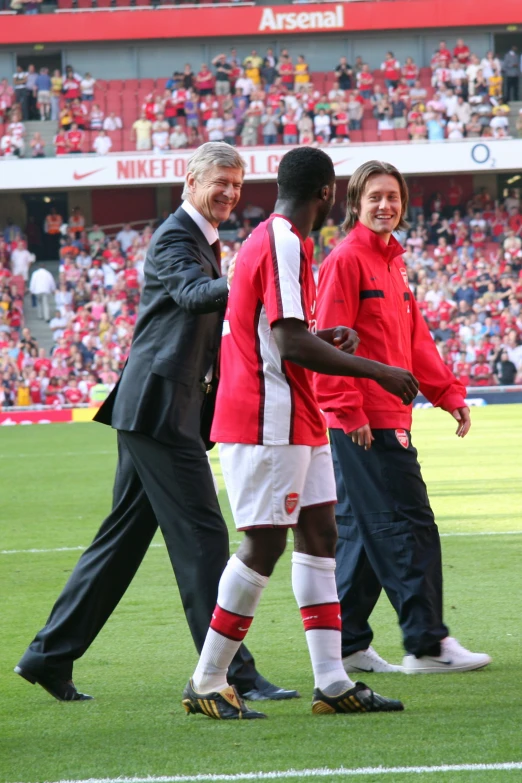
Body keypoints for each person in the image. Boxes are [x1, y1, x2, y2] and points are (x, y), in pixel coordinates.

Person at [14, 143, 296, 705]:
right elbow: (194, 297)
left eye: (238, 185)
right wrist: (249, 273)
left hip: (165, 410)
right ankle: (232, 673)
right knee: (204, 536)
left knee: (120, 543)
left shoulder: (203, 241)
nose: (230, 193)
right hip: (158, 411)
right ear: (190, 180)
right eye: (220, 181)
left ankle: (47, 657)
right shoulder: (174, 237)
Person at [182, 147, 419, 721]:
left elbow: (283, 332)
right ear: (329, 193)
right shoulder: (284, 240)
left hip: (294, 412)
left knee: (320, 533)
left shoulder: (276, 237)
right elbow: (287, 343)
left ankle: (333, 681)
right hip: (267, 417)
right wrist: (380, 372)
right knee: (264, 543)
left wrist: (326, 335)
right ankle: (208, 680)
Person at [314, 160, 492, 675]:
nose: (385, 205)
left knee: (363, 531)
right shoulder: (346, 261)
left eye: (393, 196)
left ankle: (345, 643)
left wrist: (448, 393)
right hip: (366, 420)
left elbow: (414, 341)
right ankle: (427, 644)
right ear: (355, 203)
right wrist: (349, 412)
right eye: (375, 197)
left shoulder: (393, 264)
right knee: (409, 525)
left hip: (385, 414)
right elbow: (330, 343)